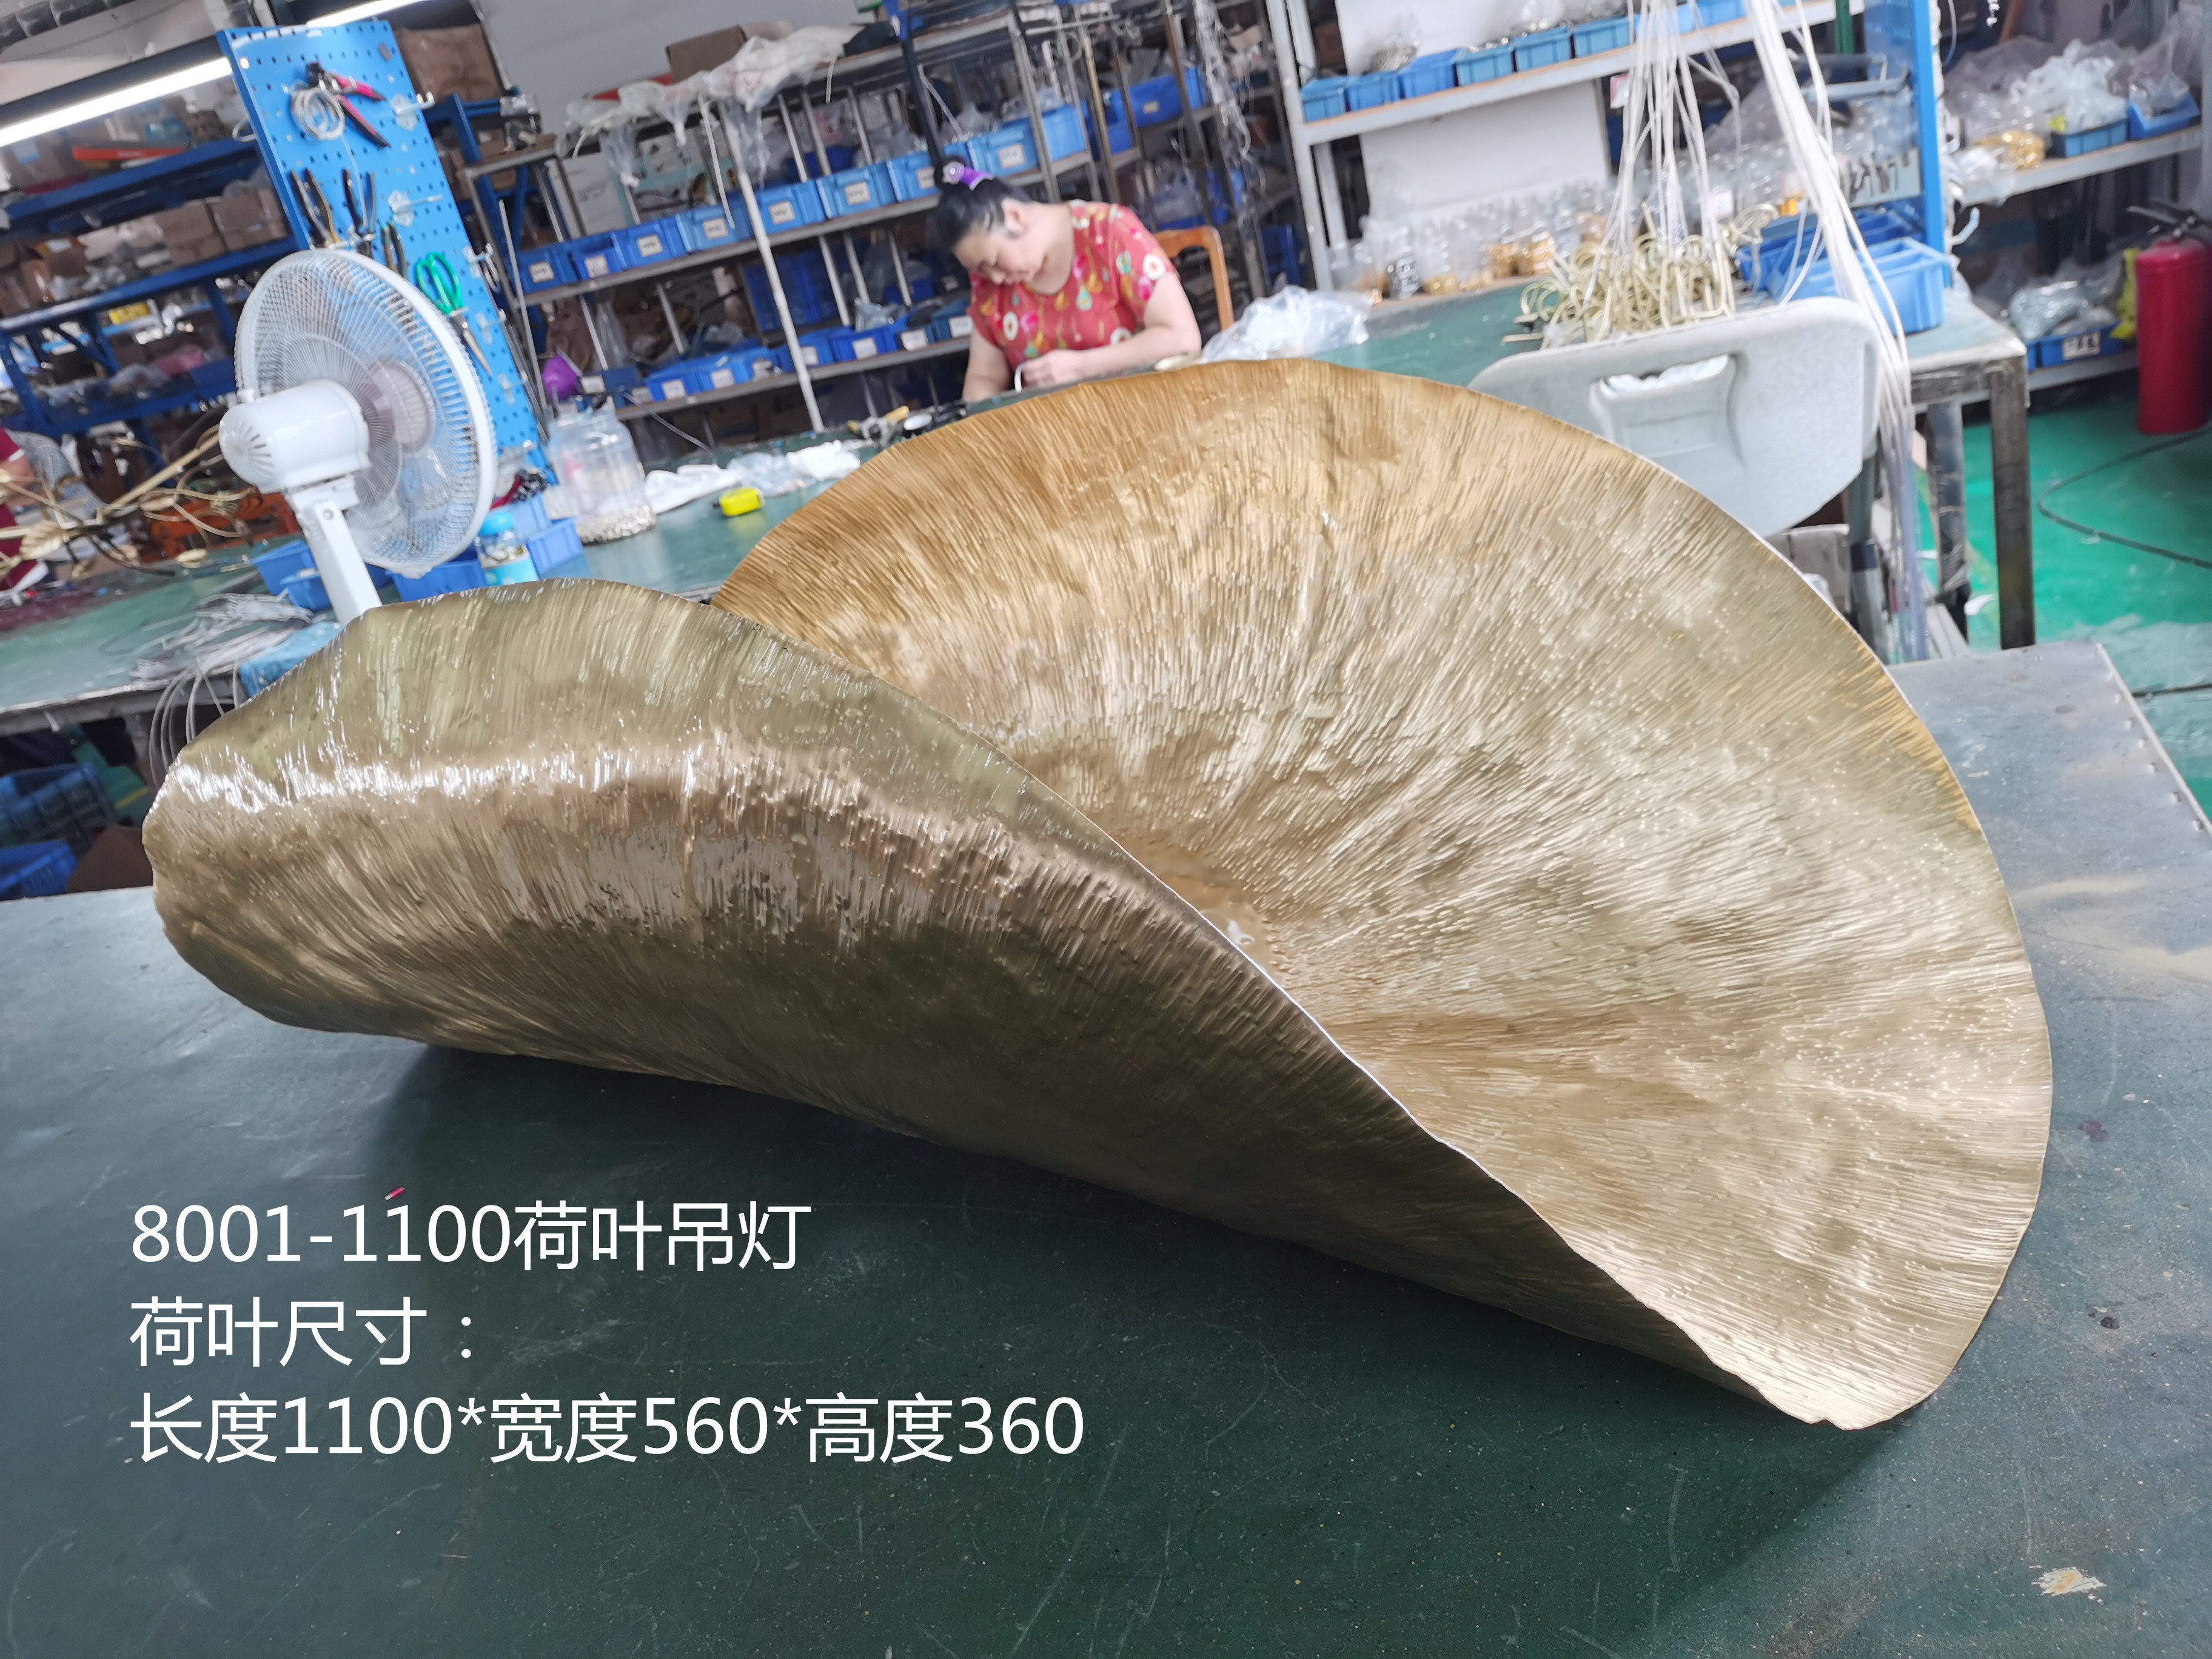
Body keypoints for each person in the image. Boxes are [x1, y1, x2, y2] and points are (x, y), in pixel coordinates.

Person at [926, 163, 1201, 403]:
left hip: (1143, 412)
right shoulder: (991, 282)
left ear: (1015, 217)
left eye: (995, 261)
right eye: (980, 270)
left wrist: (1082, 367)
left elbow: (1182, 338)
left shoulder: (1108, 233)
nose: (994, 278)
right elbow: (984, 377)